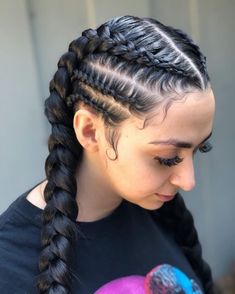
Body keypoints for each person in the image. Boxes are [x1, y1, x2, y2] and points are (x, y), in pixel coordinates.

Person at [0, 15, 216, 294]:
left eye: (200, 149)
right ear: (90, 131)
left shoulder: (159, 211)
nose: (188, 181)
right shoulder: (9, 265)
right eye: (166, 157)